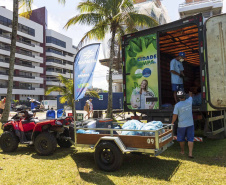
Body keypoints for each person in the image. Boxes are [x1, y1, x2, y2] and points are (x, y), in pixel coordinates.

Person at [172, 91, 194, 158]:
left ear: (178, 98)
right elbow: (190, 96)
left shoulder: (177, 105)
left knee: (181, 139)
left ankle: (182, 151)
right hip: (190, 124)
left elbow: (175, 116)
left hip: (181, 125)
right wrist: (190, 93)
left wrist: (172, 122)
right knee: (190, 139)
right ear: (185, 96)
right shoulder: (189, 101)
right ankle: (190, 153)